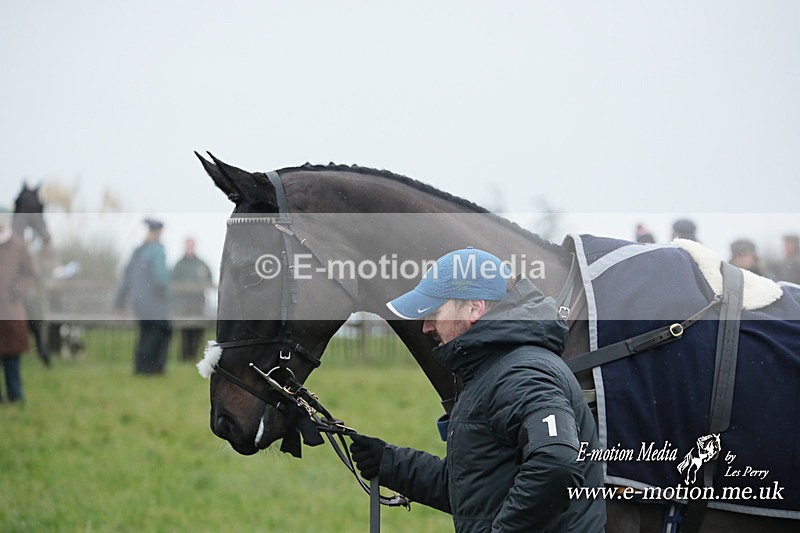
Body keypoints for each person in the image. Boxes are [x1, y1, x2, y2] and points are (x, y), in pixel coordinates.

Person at [350, 248, 606, 532]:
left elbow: (557, 462)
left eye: (435, 312)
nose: (426, 327)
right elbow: (477, 490)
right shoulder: (494, 369)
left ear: (474, 308)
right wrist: (390, 463)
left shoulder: (519, 372)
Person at [114, 218, 172, 374]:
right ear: (158, 232)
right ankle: (154, 368)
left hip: (138, 301)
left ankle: (141, 367)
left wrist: (119, 303)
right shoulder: (156, 250)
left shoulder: (137, 252)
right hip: (155, 300)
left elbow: (126, 278)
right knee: (161, 332)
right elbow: (160, 277)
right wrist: (166, 295)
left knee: (145, 333)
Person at [0, 206, 36, 402]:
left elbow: (30, 274)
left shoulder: (19, 246)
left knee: (12, 355)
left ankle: (15, 395)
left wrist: (18, 290)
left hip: (11, 309)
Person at [171, 237, 213, 362]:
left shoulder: (201, 264)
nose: (190, 248)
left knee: (198, 329)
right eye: (188, 245)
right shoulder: (179, 265)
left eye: (192, 245)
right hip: (184, 305)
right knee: (185, 330)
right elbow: (173, 282)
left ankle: (194, 355)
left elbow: (209, 280)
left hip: (198, 304)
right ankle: (185, 355)